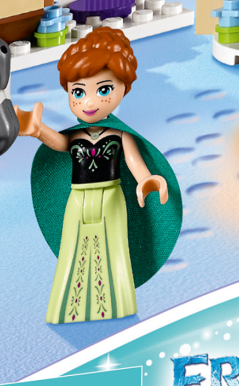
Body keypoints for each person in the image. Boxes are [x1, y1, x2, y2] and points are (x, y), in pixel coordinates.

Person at [17, 27, 182, 324]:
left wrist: (147, 179)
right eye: (78, 93)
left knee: (112, 247)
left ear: (123, 88)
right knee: (74, 248)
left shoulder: (119, 135)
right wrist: (38, 130)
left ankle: (114, 305)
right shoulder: (75, 135)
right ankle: (71, 307)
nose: (89, 103)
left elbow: (133, 161)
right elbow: (60, 144)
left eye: (103, 90)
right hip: (77, 199)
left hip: (111, 198)